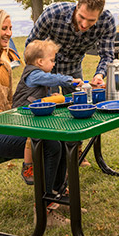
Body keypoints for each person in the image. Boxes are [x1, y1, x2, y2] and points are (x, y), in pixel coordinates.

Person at [0, 9, 69, 226]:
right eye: (4, 28)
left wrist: (20, 116)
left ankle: (57, 196)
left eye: (10, 28)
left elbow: (10, 103)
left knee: (61, 138)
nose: (8, 33)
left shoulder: (5, 62)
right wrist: (1, 116)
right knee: (48, 144)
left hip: (6, 127)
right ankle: (44, 211)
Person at [25, 0, 116, 166]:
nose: (84, 24)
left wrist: (99, 75)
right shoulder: (52, 14)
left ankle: (75, 152)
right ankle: (49, 158)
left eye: (91, 20)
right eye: (81, 17)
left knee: (79, 108)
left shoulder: (107, 21)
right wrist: (41, 73)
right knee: (50, 112)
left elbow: (107, 55)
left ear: (99, 15)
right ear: (76, 7)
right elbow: (30, 46)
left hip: (73, 68)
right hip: (46, 70)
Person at [11, 40, 83, 185]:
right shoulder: (34, 74)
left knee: (58, 138)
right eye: (51, 60)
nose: (54, 64)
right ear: (40, 61)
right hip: (23, 113)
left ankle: (59, 183)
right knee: (32, 138)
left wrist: (49, 98)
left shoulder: (39, 73)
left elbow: (39, 94)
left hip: (34, 112)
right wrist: (70, 80)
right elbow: (51, 79)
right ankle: (28, 166)